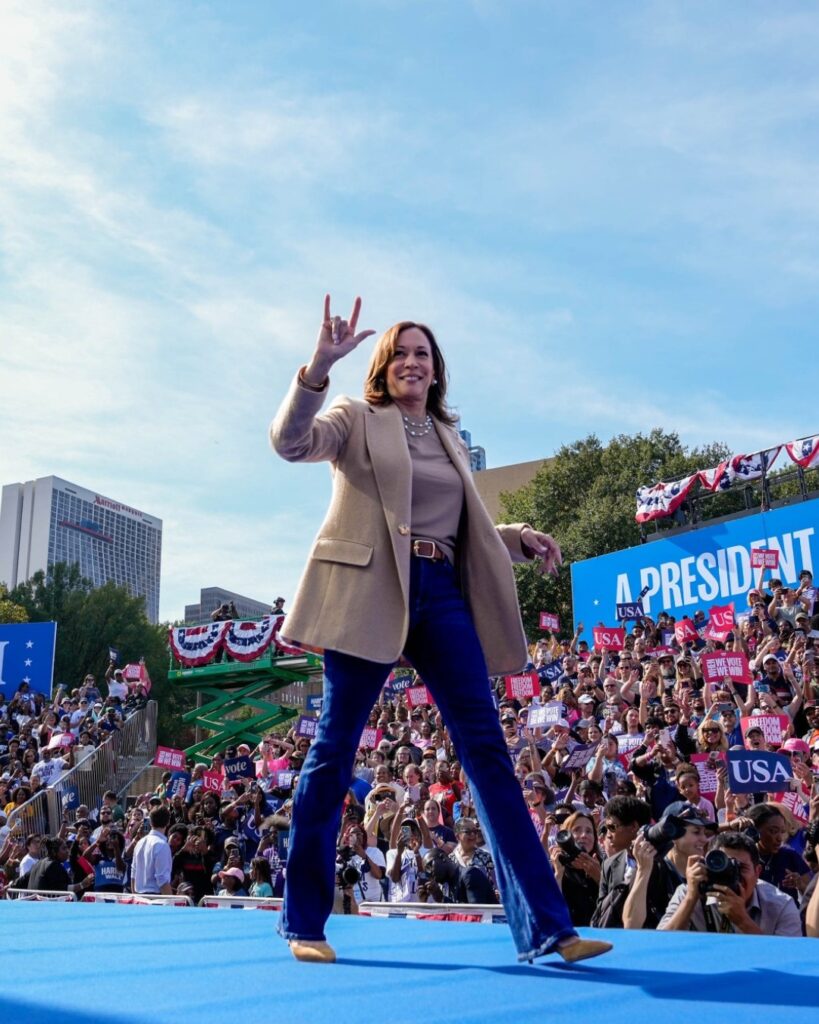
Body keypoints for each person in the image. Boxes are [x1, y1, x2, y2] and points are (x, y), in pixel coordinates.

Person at [269, 297, 610, 965]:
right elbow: (289, 442)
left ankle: (548, 930)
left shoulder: (450, 437)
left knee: (486, 751)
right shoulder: (355, 419)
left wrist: (516, 538)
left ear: (437, 369)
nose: (411, 362)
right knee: (333, 752)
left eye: (421, 353)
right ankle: (304, 923)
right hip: (368, 592)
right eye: (399, 353)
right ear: (381, 366)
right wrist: (318, 368)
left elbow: (461, 525)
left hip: (442, 595)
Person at [657, 831, 802, 936]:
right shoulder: (688, 892)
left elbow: (787, 960)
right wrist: (690, 899)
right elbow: (662, 946)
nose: (732, 874)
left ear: (757, 871)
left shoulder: (781, 905)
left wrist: (743, 921)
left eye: (741, 867)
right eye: (723, 866)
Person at [131, 806, 173, 895]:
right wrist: (171, 905)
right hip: (155, 899)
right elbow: (162, 879)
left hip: (139, 898)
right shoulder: (162, 845)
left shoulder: (139, 843)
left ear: (150, 822)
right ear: (168, 822)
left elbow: (133, 874)